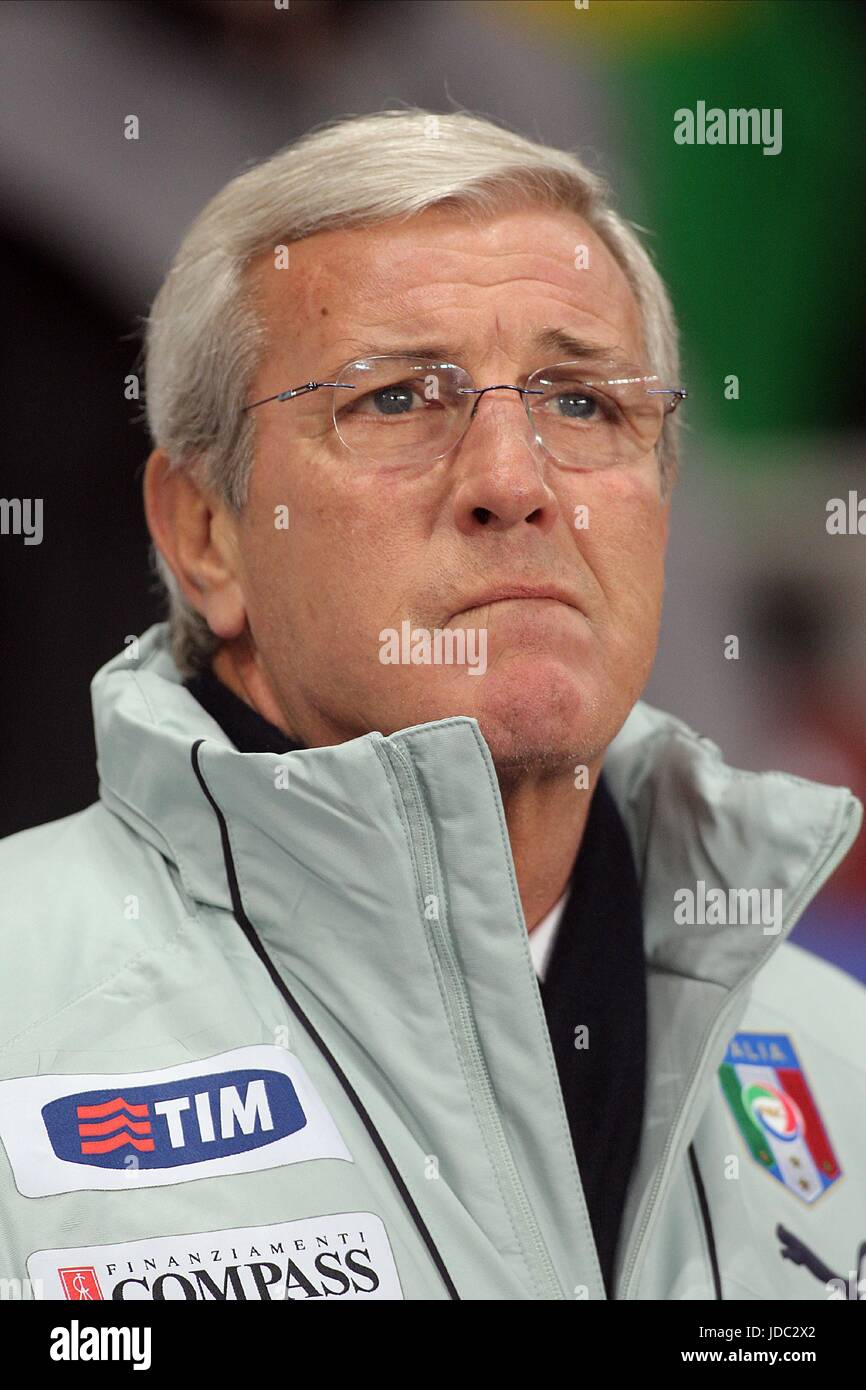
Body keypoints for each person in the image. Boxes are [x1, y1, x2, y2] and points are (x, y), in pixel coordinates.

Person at [1, 109, 862, 1303]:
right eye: (398, 398)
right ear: (206, 535)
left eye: (581, 402)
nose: (513, 481)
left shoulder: (846, 1064)